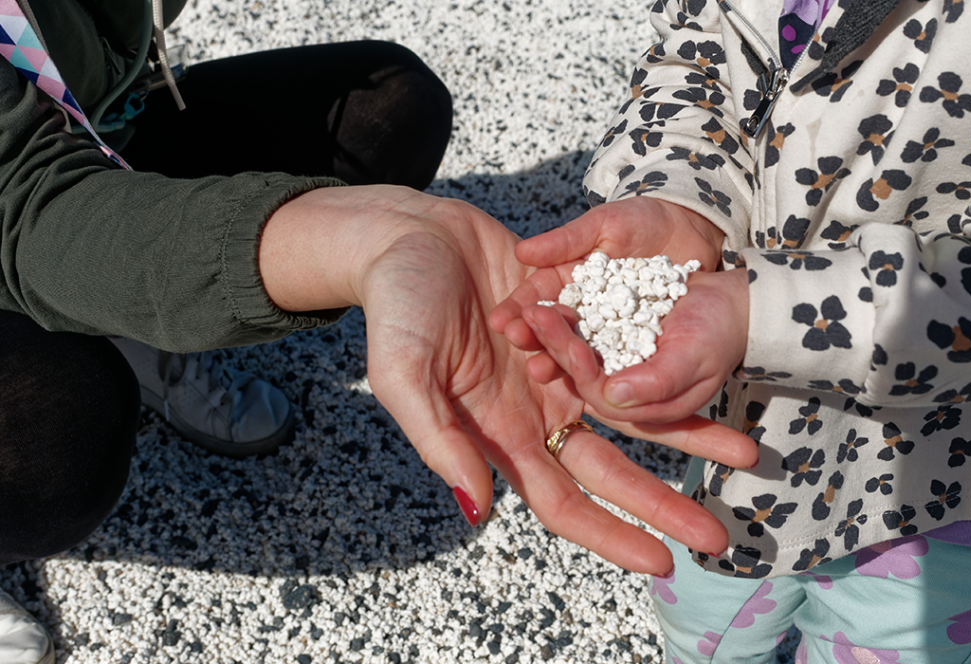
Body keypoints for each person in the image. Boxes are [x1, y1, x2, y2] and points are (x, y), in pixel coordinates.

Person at [0, 1, 757, 662]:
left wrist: (379, 237)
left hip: (87, 124)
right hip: (20, 184)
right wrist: (347, 247)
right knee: (59, 427)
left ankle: (136, 309)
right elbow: (25, 201)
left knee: (389, 108)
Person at [492, 0, 971, 661]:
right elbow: (695, 56)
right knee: (704, 629)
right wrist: (679, 196)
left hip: (943, 489)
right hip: (751, 446)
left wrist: (765, 312)